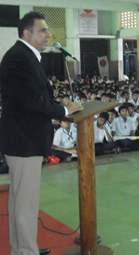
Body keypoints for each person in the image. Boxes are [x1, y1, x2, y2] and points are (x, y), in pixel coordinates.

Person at [0, 12, 82, 255]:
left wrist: (58, 102)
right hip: (24, 140)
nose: (48, 35)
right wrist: (64, 109)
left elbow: (35, 96)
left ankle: (21, 248)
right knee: (25, 204)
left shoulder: (25, 56)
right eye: (43, 30)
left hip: (24, 138)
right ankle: (26, 251)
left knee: (19, 201)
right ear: (27, 33)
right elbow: (30, 101)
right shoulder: (19, 58)